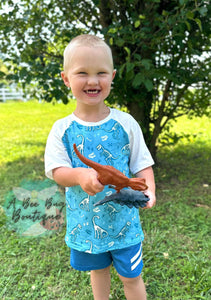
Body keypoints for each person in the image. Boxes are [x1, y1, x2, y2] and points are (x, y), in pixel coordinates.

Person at [45, 34, 156, 300]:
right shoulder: (62, 129)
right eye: (82, 72)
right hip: (86, 225)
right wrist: (80, 174)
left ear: (113, 76)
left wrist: (149, 189)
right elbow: (57, 170)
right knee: (98, 272)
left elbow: (142, 164)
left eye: (101, 73)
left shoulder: (126, 123)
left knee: (131, 276)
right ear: (66, 78)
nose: (93, 81)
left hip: (125, 225)